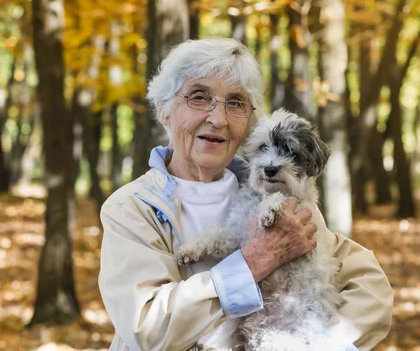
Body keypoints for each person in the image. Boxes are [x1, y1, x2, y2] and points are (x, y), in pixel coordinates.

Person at [98, 38, 393, 351]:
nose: (218, 119)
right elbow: (147, 328)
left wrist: (321, 344)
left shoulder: (279, 196)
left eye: (235, 103)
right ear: (164, 110)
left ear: (248, 124)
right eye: (199, 97)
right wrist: (253, 262)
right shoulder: (130, 208)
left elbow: (370, 287)